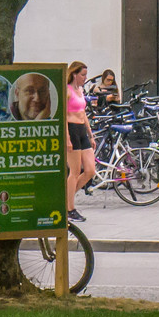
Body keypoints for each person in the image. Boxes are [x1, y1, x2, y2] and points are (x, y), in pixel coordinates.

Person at [64, 61, 96, 224]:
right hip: (71, 129)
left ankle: (65, 199)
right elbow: (63, 116)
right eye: (82, 75)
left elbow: (83, 113)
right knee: (74, 171)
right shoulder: (68, 91)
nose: (85, 78)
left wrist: (91, 135)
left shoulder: (80, 90)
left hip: (81, 129)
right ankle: (70, 208)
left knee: (90, 170)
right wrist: (67, 138)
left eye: (85, 75)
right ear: (74, 74)